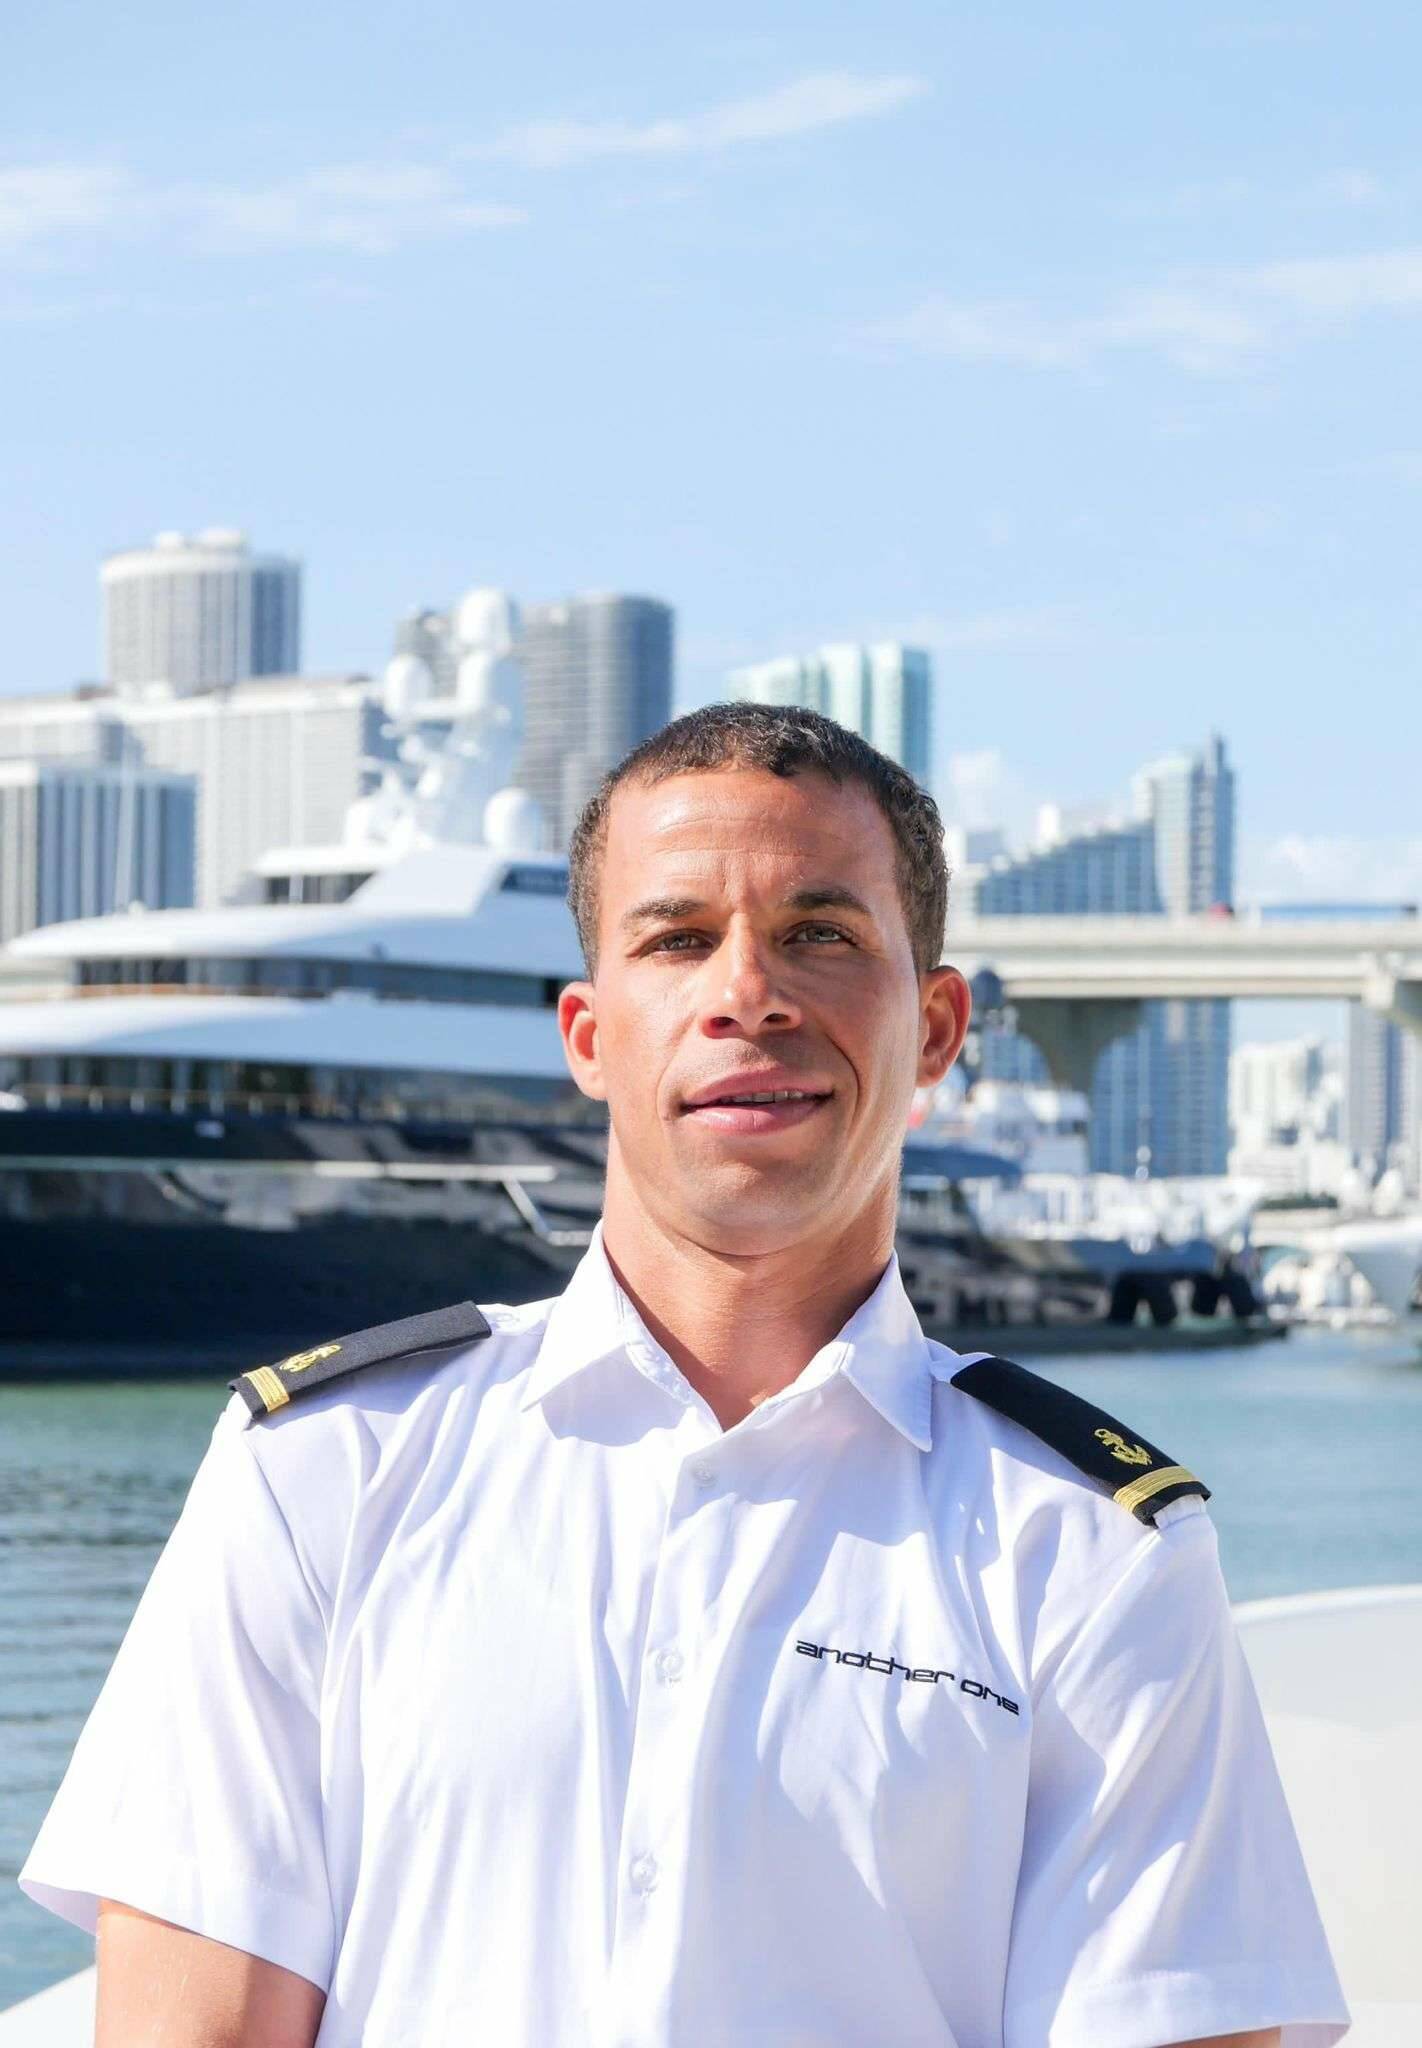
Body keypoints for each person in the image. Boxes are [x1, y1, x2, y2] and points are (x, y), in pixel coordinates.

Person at [21, 704, 1348, 2047]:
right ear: (589, 1037)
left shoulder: (1092, 1547)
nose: (745, 994)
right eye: (675, 939)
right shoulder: (323, 1471)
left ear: (937, 1029)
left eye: (820, 935)